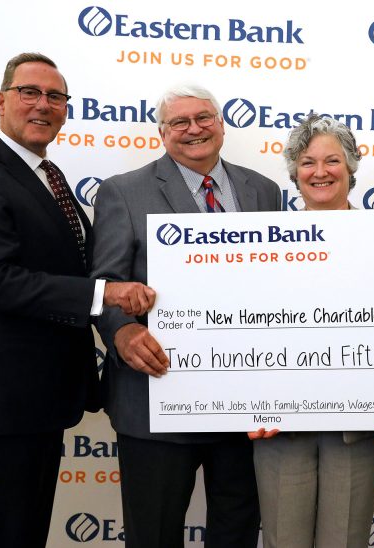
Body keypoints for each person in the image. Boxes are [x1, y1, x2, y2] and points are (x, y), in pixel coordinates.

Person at [0, 52, 154, 548]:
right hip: (1, 399)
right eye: (29, 92)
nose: (43, 105)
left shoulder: (47, 175)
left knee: (25, 532)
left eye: (55, 96)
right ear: (0, 101)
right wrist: (105, 292)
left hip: (40, 399)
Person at [91, 83, 281, 548]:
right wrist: (122, 332)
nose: (194, 129)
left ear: (221, 124)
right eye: (180, 122)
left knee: (236, 533)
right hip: (155, 401)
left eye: (204, 118)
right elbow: (103, 285)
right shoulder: (124, 192)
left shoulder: (264, 190)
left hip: (243, 407)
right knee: (152, 536)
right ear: (162, 132)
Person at [251, 114, 374, 548]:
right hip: (280, 426)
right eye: (307, 163)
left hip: (357, 428)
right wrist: (244, 401)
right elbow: (244, 327)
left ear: (351, 168)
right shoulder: (260, 244)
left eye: (332, 161)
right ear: (294, 174)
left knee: (345, 541)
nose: (320, 172)